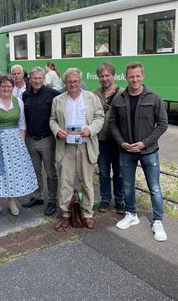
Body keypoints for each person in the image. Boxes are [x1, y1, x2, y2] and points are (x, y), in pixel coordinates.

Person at [109, 62, 168, 242]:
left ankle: (157, 220)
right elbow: (112, 124)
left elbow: (163, 124)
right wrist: (122, 143)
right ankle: (131, 214)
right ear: (126, 78)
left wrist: (144, 143)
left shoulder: (154, 98)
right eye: (131, 76)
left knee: (155, 187)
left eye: (137, 76)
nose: (134, 79)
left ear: (143, 76)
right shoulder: (119, 99)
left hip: (149, 151)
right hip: (126, 151)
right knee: (127, 185)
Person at [50, 68, 104, 231]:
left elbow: (99, 117)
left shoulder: (91, 98)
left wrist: (91, 129)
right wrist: (57, 130)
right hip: (65, 145)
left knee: (86, 182)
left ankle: (87, 214)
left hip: (85, 145)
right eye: (69, 81)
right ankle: (66, 214)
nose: (72, 84)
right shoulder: (58, 100)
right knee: (65, 182)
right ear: (64, 83)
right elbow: (52, 119)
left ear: (80, 82)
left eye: (75, 81)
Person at [0, 75, 38, 219]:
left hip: (14, 143)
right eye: (3, 86)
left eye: (9, 86)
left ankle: (12, 201)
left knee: (12, 172)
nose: (6, 88)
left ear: (13, 87)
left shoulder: (18, 101)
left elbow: (22, 123)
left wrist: (21, 142)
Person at [22, 67, 61, 216]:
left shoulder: (53, 95)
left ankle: (52, 200)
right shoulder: (25, 95)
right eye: (34, 78)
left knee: (51, 172)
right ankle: (38, 196)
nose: (37, 81)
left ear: (43, 79)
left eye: (40, 78)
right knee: (35, 171)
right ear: (29, 79)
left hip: (47, 140)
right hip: (31, 139)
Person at [92, 63, 125, 214]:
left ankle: (120, 200)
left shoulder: (123, 93)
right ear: (98, 77)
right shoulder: (93, 95)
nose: (104, 78)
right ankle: (105, 199)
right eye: (101, 75)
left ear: (113, 76)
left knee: (119, 173)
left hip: (118, 142)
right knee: (103, 172)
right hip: (101, 140)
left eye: (107, 75)